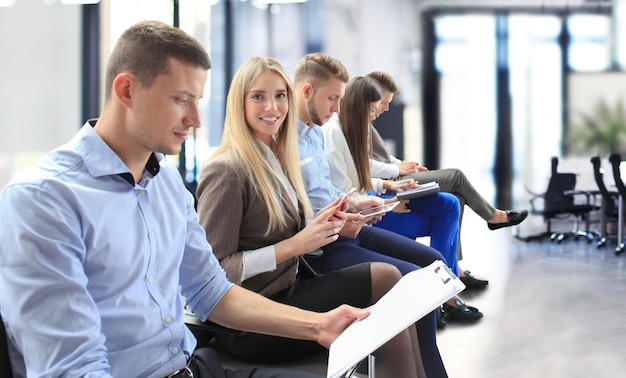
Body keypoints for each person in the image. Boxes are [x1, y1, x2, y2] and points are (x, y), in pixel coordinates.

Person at [0, 21, 374, 378]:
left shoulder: (166, 184)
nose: (196, 119)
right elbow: (73, 368)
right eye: (181, 100)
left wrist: (319, 325)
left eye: (197, 101)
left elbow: (211, 291)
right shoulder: (43, 200)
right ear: (126, 90)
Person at [195, 56, 426, 377]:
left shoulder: (276, 156)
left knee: (392, 287)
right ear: (239, 103)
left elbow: (287, 229)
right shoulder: (226, 169)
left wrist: (329, 225)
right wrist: (297, 244)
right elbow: (217, 272)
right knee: (388, 279)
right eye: (258, 96)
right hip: (252, 319)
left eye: (279, 96)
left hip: (291, 286)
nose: (272, 107)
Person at [293, 52, 482, 338]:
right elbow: (342, 189)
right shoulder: (326, 132)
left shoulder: (319, 134)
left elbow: (341, 186)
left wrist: (384, 190)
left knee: (447, 210)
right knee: (447, 200)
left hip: (355, 213)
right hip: (341, 230)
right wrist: (384, 198)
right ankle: (446, 295)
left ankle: (448, 289)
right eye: (376, 108)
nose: (379, 113)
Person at [365, 71, 529, 289]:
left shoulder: (366, 123)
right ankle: (494, 216)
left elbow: (380, 157)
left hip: (394, 176)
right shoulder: (356, 124)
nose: (386, 108)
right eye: (384, 102)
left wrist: (404, 164)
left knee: (457, 198)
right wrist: (398, 168)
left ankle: (453, 270)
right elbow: (366, 165)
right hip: (387, 185)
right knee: (456, 177)